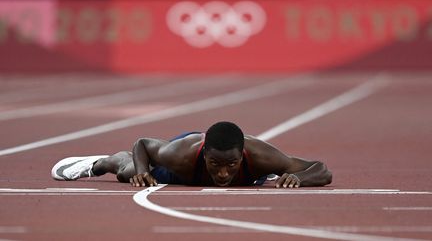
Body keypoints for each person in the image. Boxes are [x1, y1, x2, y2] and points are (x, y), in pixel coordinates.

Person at [51, 121, 332, 188]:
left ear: (243, 154)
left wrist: (298, 177)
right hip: (182, 170)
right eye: (216, 165)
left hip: (253, 168)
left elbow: (321, 168)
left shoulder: (262, 155)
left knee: (266, 172)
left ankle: (255, 174)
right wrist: (140, 169)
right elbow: (143, 144)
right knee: (128, 173)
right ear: (205, 154)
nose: (223, 174)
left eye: (231, 165)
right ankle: (99, 162)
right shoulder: (181, 155)